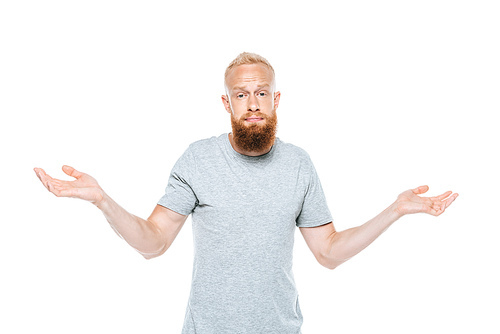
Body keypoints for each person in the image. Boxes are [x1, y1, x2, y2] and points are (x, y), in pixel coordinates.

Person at [34, 52, 458, 333]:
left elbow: (328, 252)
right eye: (241, 94)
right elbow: (154, 242)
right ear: (227, 103)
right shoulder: (198, 160)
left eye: (260, 93)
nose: (252, 103)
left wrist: (395, 210)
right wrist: (103, 201)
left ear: (275, 99)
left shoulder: (298, 164)